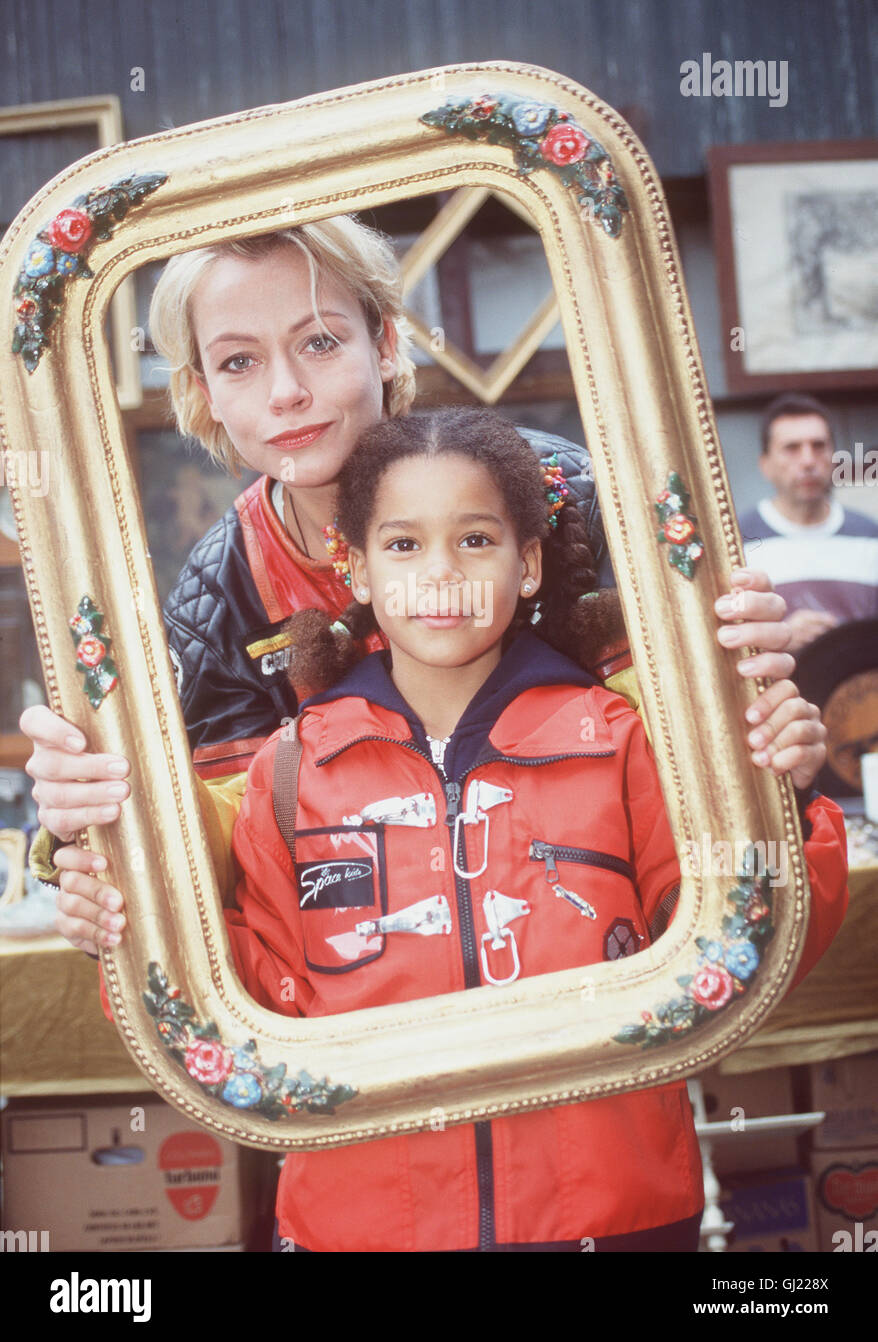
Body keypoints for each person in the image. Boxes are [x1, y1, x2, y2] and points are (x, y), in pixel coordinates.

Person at [64, 410, 847, 1252]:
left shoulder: (617, 742)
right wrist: (124, 911)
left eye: (475, 539)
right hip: (359, 1227)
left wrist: (785, 806)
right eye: (403, 546)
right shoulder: (290, 772)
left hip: (616, 1217)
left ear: (529, 561)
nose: (440, 574)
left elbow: (740, 947)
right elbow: (242, 998)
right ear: (356, 569)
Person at [23, 221, 811, 953]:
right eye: (239, 361)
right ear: (202, 393)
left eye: (321, 342)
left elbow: (687, 759)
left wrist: (750, 712)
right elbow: (236, 870)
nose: (286, 391)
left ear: (388, 343)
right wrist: (104, 826)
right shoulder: (217, 596)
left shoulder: (556, 492)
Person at [739, 393, 878, 654]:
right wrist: (780, 638)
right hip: (777, 692)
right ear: (765, 465)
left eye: (818, 446)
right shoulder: (738, 541)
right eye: (792, 448)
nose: (808, 461)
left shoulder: (870, 538)